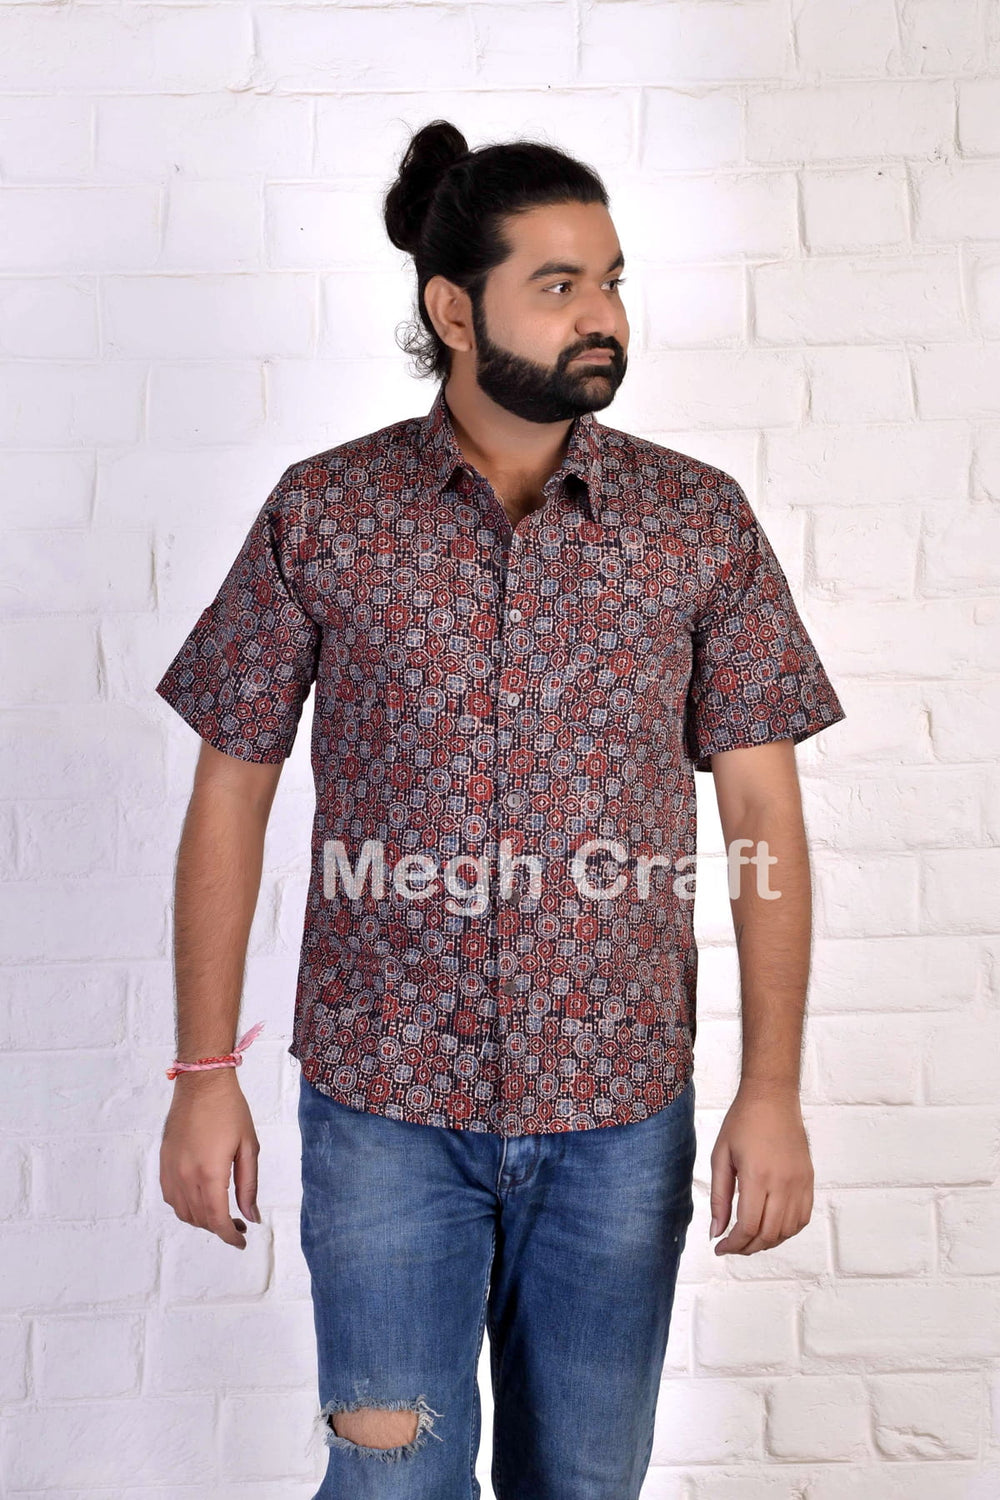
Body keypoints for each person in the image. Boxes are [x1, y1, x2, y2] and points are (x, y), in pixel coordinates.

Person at [156, 119, 845, 1500]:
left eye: (613, 279)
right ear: (454, 309)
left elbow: (763, 818)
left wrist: (770, 1091)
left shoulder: (696, 522)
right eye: (560, 284)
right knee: (390, 1485)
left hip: (618, 1120)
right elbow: (231, 791)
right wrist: (201, 1074)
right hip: (383, 1116)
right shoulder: (327, 513)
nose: (605, 316)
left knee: (581, 1485)